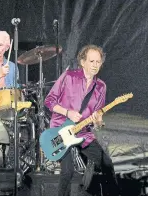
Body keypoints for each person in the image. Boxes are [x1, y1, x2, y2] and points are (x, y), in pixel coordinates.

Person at [44, 44, 119, 195]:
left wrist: (98, 122)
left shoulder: (101, 87)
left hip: (83, 132)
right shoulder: (69, 77)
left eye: (98, 62)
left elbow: (97, 119)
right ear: (82, 62)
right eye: (92, 61)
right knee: (67, 172)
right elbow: (49, 101)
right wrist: (67, 113)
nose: (95, 65)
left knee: (107, 164)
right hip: (61, 130)